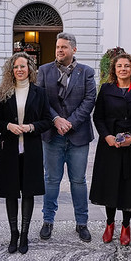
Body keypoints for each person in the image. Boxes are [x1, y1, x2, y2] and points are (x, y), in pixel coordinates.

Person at [36, 32, 97, 242]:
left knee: (78, 181)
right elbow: (41, 100)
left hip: (78, 135)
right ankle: (48, 221)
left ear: (74, 49)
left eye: (64, 47)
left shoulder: (86, 72)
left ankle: (82, 223)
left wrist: (70, 121)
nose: (60, 50)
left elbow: (90, 99)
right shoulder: (44, 71)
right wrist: (56, 120)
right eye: (57, 47)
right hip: (52, 135)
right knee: (51, 180)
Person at [0, 53, 53, 254]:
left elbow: (46, 120)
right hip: (9, 149)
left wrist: (30, 127)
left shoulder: (40, 92)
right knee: (11, 191)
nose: (19, 70)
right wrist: (8, 125)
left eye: (23, 66)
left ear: (30, 69)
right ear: (12, 70)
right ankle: (14, 233)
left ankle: (25, 234)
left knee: (28, 191)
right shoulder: (4, 92)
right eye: (16, 67)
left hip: (31, 149)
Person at [89, 53, 131, 246]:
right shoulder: (106, 89)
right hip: (109, 145)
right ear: (114, 70)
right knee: (109, 184)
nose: (123, 69)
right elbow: (98, 117)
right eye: (119, 66)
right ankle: (109, 224)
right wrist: (107, 136)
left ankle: (126, 225)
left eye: (126, 66)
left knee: (129, 186)